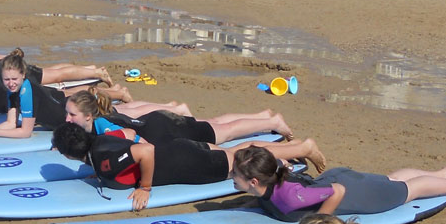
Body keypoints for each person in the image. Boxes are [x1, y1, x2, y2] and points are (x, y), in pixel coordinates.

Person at [51, 123, 325, 210]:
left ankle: (303, 148)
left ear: (70, 155)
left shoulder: (103, 163)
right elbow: (126, 133)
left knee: (241, 160)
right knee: (236, 153)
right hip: (178, 149)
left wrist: (145, 187)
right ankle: (295, 147)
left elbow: (144, 151)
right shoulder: (100, 140)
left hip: (187, 162)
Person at [230, 146, 446, 223]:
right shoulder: (269, 175)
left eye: (235, 174)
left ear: (253, 181)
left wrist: (317, 223)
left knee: (406, 191)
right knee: (391, 179)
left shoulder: (290, 197)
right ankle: (441, 173)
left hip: (351, 191)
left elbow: (338, 193)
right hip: (334, 180)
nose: (231, 176)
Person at [0, 50, 137, 138]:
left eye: (14, 79)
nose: (10, 83)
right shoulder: (13, 91)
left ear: (23, 75)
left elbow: (25, 132)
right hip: (66, 110)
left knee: (125, 115)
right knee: (124, 111)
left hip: (73, 115)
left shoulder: (25, 91)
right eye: (6, 79)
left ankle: (164, 107)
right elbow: (11, 123)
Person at [65, 87, 296, 145]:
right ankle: (261, 115)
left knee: (224, 133)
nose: (66, 119)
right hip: (160, 121)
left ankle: (272, 122)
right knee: (213, 122)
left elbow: (137, 140)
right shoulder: (100, 121)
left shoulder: (103, 127)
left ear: (88, 116)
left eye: (71, 114)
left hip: (167, 129)